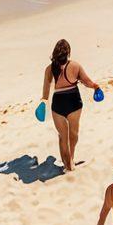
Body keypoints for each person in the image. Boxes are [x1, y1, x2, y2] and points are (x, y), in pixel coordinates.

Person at [41, 39, 99, 172]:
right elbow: (87, 82)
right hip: (74, 102)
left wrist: (43, 103)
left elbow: (45, 92)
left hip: (58, 104)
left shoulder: (49, 69)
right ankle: (71, 159)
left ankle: (67, 165)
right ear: (68, 53)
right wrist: (96, 87)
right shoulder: (75, 66)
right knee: (74, 133)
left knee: (63, 136)